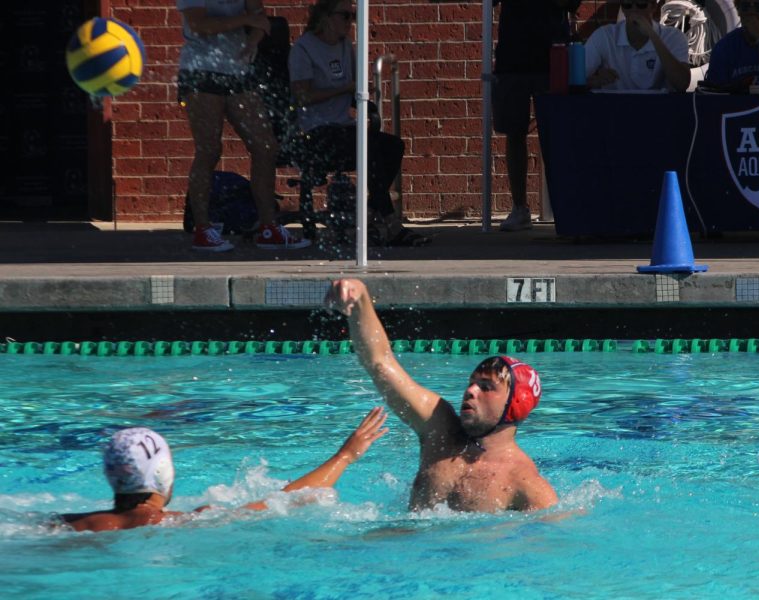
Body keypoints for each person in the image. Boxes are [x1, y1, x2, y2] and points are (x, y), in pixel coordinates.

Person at [325, 279, 558, 512]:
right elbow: (380, 363)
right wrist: (361, 299)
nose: (470, 391)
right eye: (471, 383)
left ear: (515, 405)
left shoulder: (526, 485)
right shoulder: (441, 429)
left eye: (486, 387)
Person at [60, 407, 387, 532]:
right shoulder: (181, 522)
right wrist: (345, 457)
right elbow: (284, 500)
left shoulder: (67, 523)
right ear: (163, 474)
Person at [288, 0, 428, 247]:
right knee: (368, 147)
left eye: (353, 15)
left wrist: (362, 91)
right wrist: (344, 89)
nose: (350, 21)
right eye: (345, 15)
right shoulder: (304, 49)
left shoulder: (344, 46)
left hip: (344, 126)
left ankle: (371, 212)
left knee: (393, 146)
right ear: (326, 17)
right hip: (316, 132)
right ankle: (390, 222)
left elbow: (353, 87)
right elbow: (302, 96)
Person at [177, 0, 310, 251]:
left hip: (238, 71)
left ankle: (268, 227)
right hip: (200, 71)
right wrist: (244, 21)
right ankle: (203, 228)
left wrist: (252, 41)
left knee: (266, 145)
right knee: (209, 149)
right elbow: (198, 25)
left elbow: (259, 18)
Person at [492, 0, 582, 232]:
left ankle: (565, 205)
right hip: (512, 56)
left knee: (556, 134)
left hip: (552, 54)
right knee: (514, 132)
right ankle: (519, 207)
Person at [584, 0, 691, 92]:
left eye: (641, 4)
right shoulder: (604, 36)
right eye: (628, 5)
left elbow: (682, 84)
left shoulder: (673, 37)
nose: (634, 10)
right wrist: (594, 81)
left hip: (658, 109)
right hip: (616, 108)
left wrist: (652, 34)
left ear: (653, 6)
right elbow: (574, 81)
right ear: (623, 9)